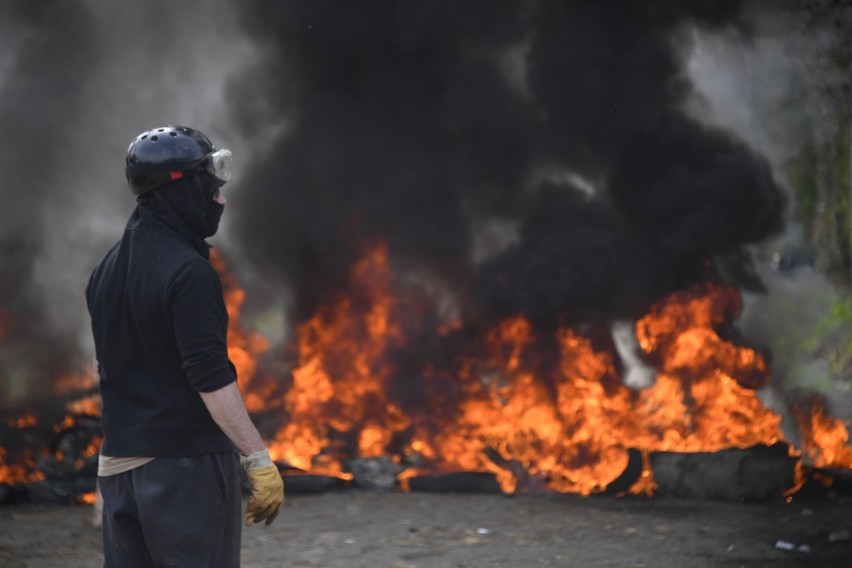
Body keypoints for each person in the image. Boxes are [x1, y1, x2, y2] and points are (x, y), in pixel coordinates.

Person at [86, 125, 285, 567]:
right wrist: (257, 459)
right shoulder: (188, 273)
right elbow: (211, 377)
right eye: (211, 189)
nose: (221, 200)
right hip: (184, 472)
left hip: (118, 470)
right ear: (183, 191)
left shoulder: (106, 269)